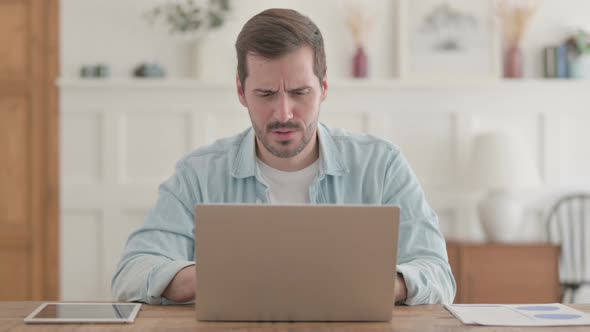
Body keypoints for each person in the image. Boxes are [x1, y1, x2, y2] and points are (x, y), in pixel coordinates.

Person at [112, 8, 456, 305]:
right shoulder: (198, 173)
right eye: (264, 93)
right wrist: (218, 277)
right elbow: (133, 272)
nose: (284, 113)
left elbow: (438, 273)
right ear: (240, 91)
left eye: (299, 92)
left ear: (323, 87)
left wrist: (374, 283)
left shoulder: (381, 165)